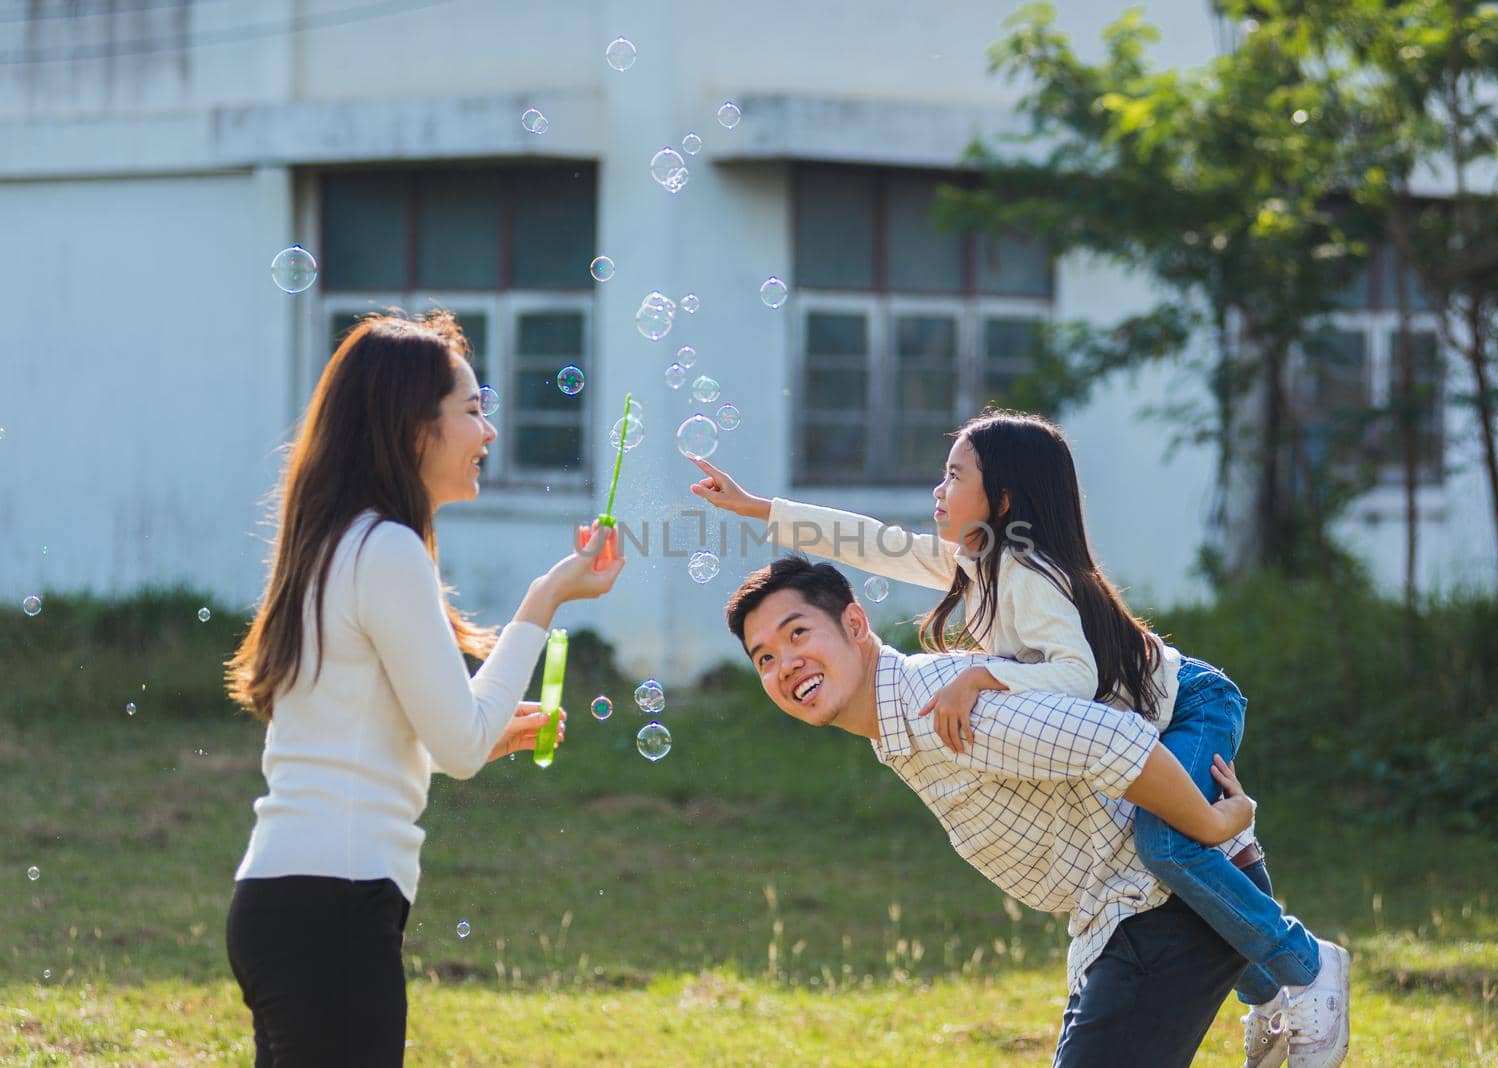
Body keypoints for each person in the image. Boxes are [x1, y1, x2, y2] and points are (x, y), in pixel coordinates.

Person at [691, 409, 1348, 1068]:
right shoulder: (973, 567)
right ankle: (1267, 992)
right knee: (1169, 844)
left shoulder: (1017, 586)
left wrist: (981, 675)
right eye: (764, 657)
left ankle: (1306, 965)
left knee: (1169, 839)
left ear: (1002, 499)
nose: (937, 491)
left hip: (1186, 703)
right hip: (1138, 794)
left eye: (954, 475)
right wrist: (758, 508)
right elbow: (871, 540)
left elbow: (1082, 689)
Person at [223, 310, 623, 1066]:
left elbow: (392, 739)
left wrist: (478, 730)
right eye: (472, 411)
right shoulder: (387, 549)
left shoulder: (337, 542)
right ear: (413, 430)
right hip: (331, 908)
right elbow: (462, 745)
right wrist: (547, 597)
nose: (488, 433)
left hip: (289, 900)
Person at [727, 555, 1275, 1065]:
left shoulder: (936, 703)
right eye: (766, 659)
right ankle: (1287, 984)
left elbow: (1112, 738)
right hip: (1127, 919)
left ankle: (1306, 971)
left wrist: (1206, 823)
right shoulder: (903, 726)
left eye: (798, 632)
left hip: (1164, 903)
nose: (786, 665)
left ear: (853, 623)